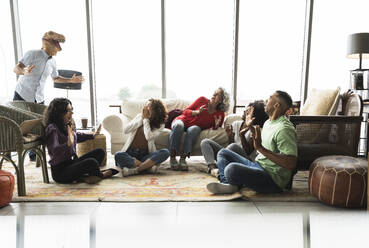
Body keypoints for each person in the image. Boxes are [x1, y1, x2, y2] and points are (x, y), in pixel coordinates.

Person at [207, 91, 297, 194]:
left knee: (231, 169)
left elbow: (291, 163)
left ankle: (231, 183)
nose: (266, 101)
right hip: (258, 165)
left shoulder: (284, 129)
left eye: (270, 98)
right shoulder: (268, 122)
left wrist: (260, 148)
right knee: (223, 153)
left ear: (276, 105)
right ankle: (228, 184)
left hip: (272, 179)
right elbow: (265, 146)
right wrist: (249, 126)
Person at [13, 31, 83, 161]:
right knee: (20, 125)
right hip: (22, 94)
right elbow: (16, 68)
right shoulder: (32, 53)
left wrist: (71, 80)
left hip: (38, 98)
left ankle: (36, 155)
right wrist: (24, 71)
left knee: (41, 124)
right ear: (48, 42)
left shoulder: (52, 62)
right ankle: (17, 151)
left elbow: (56, 78)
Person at [44, 98, 117, 184]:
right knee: (91, 162)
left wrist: (93, 135)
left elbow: (76, 136)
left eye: (71, 110)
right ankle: (100, 175)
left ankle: (84, 177)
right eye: (68, 110)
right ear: (59, 113)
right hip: (61, 172)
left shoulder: (65, 125)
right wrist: (67, 144)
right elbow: (54, 151)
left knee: (100, 152)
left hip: (71, 163)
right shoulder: (52, 129)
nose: (72, 113)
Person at [200, 100, 268, 176]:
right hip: (230, 155)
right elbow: (231, 145)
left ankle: (221, 166)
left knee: (233, 147)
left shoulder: (255, 129)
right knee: (205, 142)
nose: (244, 111)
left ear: (254, 116)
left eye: (248, 111)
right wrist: (230, 137)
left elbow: (248, 152)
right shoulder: (236, 124)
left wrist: (242, 136)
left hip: (244, 160)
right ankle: (213, 169)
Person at [169, 87, 230, 171]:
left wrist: (216, 126)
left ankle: (183, 158)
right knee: (178, 126)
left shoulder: (220, 114)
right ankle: (172, 157)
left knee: (194, 129)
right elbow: (185, 111)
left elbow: (216, 128)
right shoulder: (202, 100)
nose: (214, 94)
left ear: (222, 100)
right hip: (183, 120)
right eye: (214, 93)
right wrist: (196, 112)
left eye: (217, 94)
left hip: (195, 127)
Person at [114, 99, 170, 177]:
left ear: (155, 110)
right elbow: (126, 130)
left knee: (165, 152)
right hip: (130, 153)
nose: (145, 108)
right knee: (118, 155)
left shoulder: (160, 124)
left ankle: (135, 170)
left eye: (148, 106)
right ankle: (147, 168)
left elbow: (149, 137)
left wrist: (146, 120)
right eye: (145, 105)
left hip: (145, 155)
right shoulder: (139, 117)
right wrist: (142, 119)